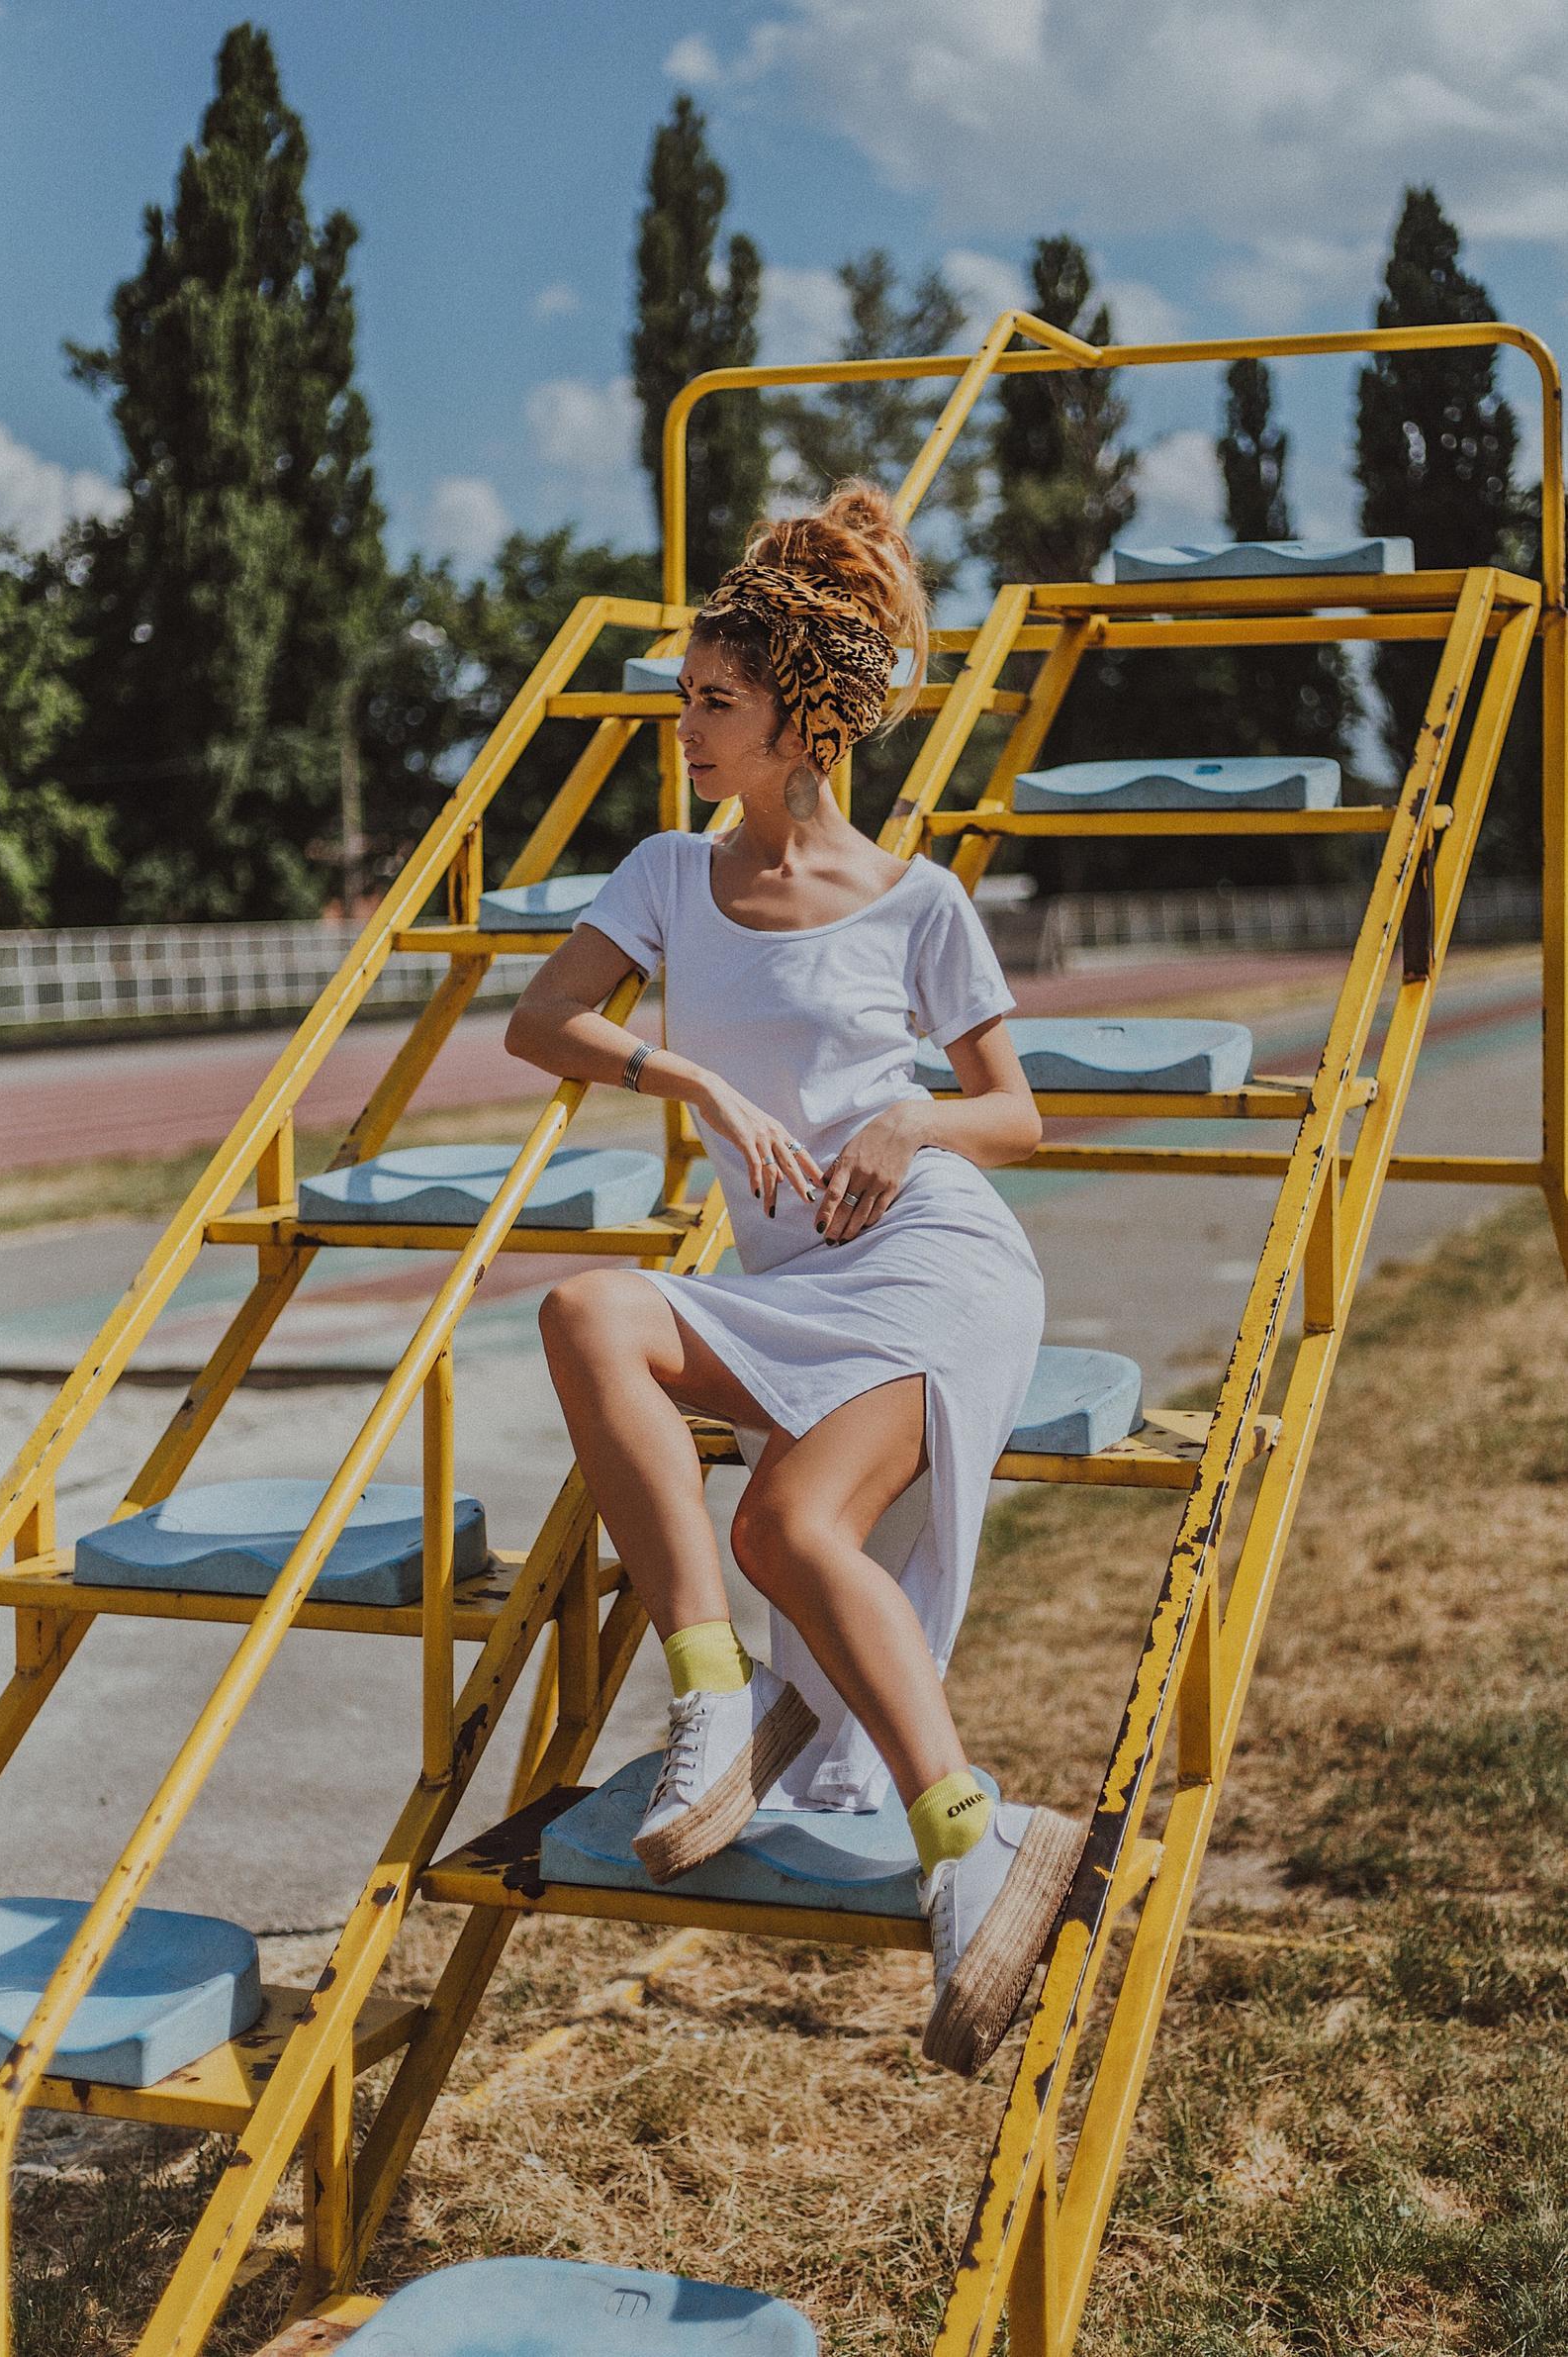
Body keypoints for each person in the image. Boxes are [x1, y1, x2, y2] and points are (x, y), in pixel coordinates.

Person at [506, 479, 1082, 2077]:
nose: (684, 725)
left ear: (801, 719)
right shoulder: (669, 876)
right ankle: (716, 1697)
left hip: (934, 1260)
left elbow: (1016, 1114)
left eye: (714, 702)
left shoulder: (919, 900)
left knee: (784, 1522)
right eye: (685, 697)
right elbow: (539, 1024)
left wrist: (909, 1117)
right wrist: (689, 1083)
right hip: (790, 1280)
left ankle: (968, 1845)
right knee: (582, 1311)